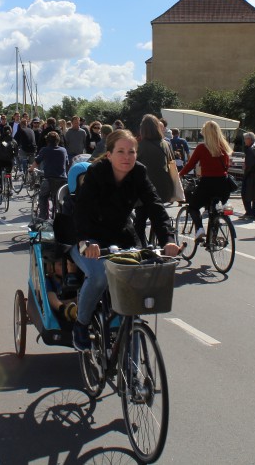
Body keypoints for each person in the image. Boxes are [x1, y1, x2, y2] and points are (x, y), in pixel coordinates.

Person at [70, 129, 181, 351]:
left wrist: (168, 239)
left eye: (131, 151)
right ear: (109, 154)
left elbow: (155, 206)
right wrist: (85, 242)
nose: (127, 156)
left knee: (141, 277)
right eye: (120, 151)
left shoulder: (139, 172)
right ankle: (81, 324)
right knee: (100, 275)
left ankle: (134, 376)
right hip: (89, 239)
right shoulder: (96, 172)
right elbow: (81, 211)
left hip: (122, 237)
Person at [178, 120, 233, 242]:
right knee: (216, 210)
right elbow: (227, 166)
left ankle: (199, 229)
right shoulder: (224, 147)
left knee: (193, 206)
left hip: (207, 183)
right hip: (223, 185)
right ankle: (214, 236)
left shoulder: (202, 147)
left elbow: (191, 165)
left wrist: (179, 174)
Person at [134, 114, 175, 243]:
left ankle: (141, 247)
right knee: (159, 219)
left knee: (139, 221)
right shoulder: (165, 144)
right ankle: (166, 244)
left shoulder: (139, 146)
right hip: (164, 188)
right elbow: (170, 161)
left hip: (145, 189)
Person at [33, 131, 68, 219]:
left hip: (49, 179)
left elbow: (37, 162)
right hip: (62, 180)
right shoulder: (63, 150)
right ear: (58, 140)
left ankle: (43, 217)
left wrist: (30, 168)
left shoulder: (44, 150)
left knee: (43, 196)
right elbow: (67, 163)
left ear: (47, 141)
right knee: (62, 199)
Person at [0, 125, 18, 194]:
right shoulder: (12, 140)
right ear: (11, 131)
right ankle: (10, 188)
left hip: (0, 160)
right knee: (9, 173)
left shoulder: (0, 139)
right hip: (9, 161)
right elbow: (16, 152)